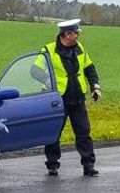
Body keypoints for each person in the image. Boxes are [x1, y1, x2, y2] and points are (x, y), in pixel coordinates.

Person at [38, 19, 102, 176]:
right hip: (58, 99)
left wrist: (96, 87)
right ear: (67, 34)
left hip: (78, 97)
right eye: (76, 33)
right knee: (54, 133)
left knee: (84, 132)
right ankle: (52, 164)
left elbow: (90, 68)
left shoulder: (79, 48)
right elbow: (35, 70)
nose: (78, 35)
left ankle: (88, 165)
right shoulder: (48, 49)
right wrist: (49, 81)